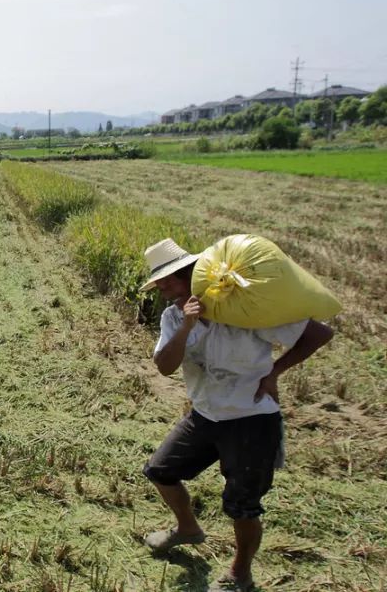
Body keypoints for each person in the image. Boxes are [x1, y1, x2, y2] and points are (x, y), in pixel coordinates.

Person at [138, 238, 333, 592]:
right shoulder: (172, 316)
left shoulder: (243, 309)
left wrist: (274, 372)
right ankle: (188, 528)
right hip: (205, 415)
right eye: (159, 281)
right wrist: (186, 326)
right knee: (160, 471)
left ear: (192, 274)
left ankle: (240, 574)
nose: (163, 287)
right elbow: (165, 367)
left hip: (251, 421)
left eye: (169, 278)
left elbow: (319, 333)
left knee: (242, 505)